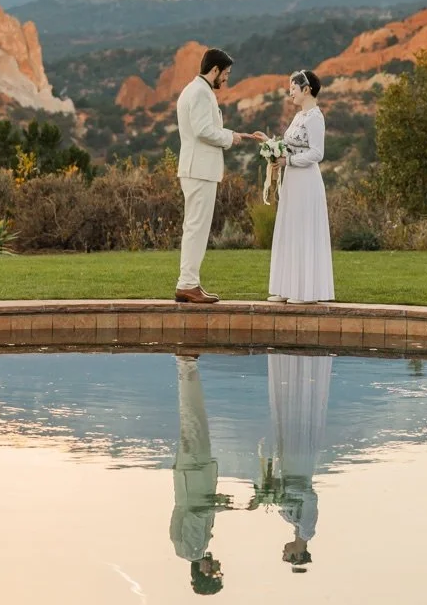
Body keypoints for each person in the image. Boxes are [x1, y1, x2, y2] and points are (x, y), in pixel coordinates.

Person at [176, 48, 264, 304]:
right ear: (214, 70)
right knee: (196, 227)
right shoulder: (201, 93)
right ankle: (188, 284)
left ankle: (190, 283)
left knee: (195, 227)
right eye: (225, 73)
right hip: (199, 170)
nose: (226, 79)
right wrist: (230, 138)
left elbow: (203, 128)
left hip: (196, 169)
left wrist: (234, 134)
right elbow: (203, 131)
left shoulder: (193, 90)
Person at [267, 70, 334, 305]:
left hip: (306, 180)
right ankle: (286, 287)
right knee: (290, 229)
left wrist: (289, 161)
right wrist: (270, 145)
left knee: (304, 230)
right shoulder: (298, 116)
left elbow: (317, 153)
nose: (290, 92)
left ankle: (305, 292)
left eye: (293, 88)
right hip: (292, 180)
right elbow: (288, 144)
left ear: (306, 90)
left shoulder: (315, 117)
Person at [267, 352, 332, 573]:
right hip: (300, 469)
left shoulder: (293, 523)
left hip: (289, 470)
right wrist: (287, 489)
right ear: (298, 554)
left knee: (287, 434)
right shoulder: (307, 528)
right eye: (287, 556)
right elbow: (310, 496)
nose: (283, 552)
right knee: (297, 434)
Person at [171, 355, 228, 595]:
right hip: (189, 475)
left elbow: (195, 515)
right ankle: (186, 365)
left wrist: (222, 505)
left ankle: (186, 363)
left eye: (215, 571)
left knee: (194, 417)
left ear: (204, 571)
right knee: (192, 418)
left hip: (195, 475)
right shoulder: (189, 551)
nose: (219, 565)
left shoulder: (194, 550)